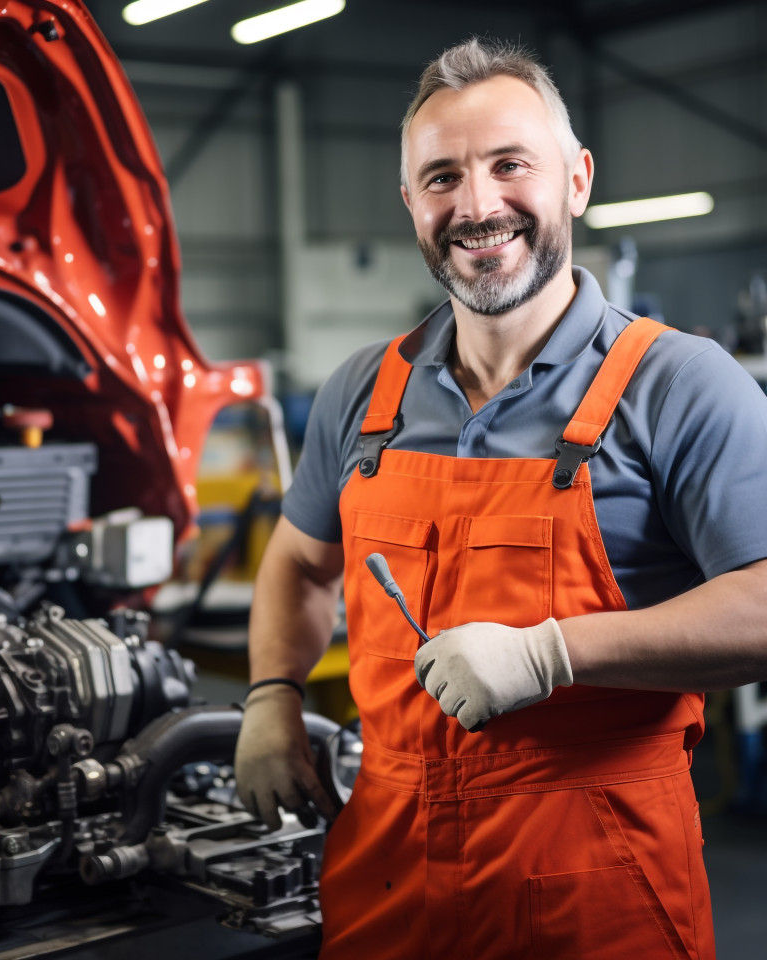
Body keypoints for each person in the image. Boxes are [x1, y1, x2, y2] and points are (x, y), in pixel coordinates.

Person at [234, 37, 767, 959]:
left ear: (576, 180)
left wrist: (553, 653)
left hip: (596, 884)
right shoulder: (364, 392)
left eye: (509, 165)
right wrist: (272, 694)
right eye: (441, 178)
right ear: (411, 204)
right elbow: (299, 557)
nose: (477, 206)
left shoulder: (681, 384)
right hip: (388, 873)